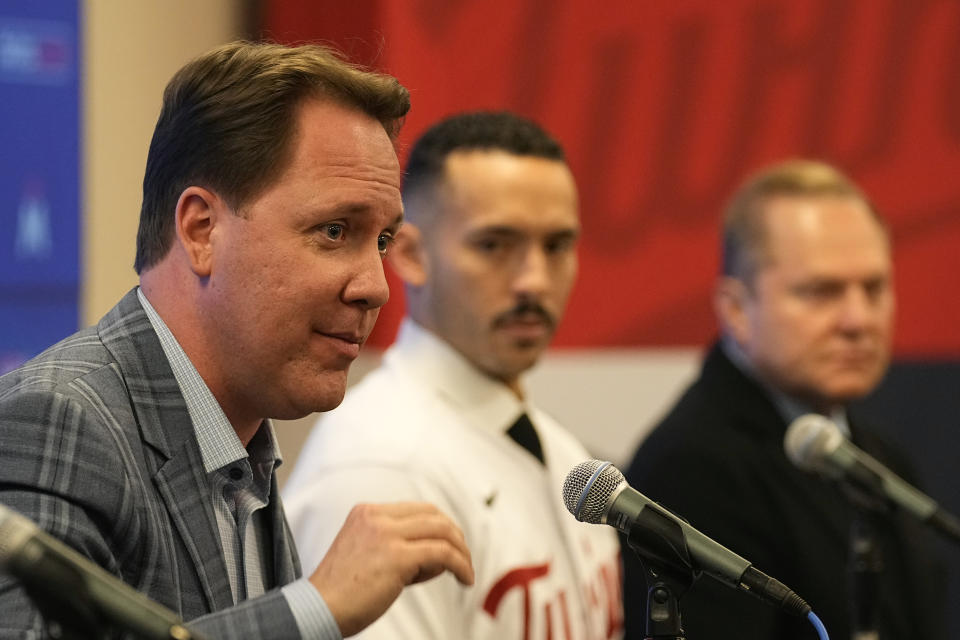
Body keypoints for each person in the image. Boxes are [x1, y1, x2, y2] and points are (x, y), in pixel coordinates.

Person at [0, 41, 475, 639]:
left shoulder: (242, 443)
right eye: (334, 231)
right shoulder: (57, 418)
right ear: (201, 230)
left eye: (381, 240)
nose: (376, 287)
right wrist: (314, 608)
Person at [283, 111, 624, 640]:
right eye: (494, 245)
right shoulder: (382, 467)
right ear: (413, 255)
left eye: (556, 246)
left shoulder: (564, 454)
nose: (534, 280)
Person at [621, 160, 945, 639]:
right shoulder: (693, 468)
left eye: (874, 288)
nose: (858, 320)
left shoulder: (877, 453)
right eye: (821, 292)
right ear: (736, 310)